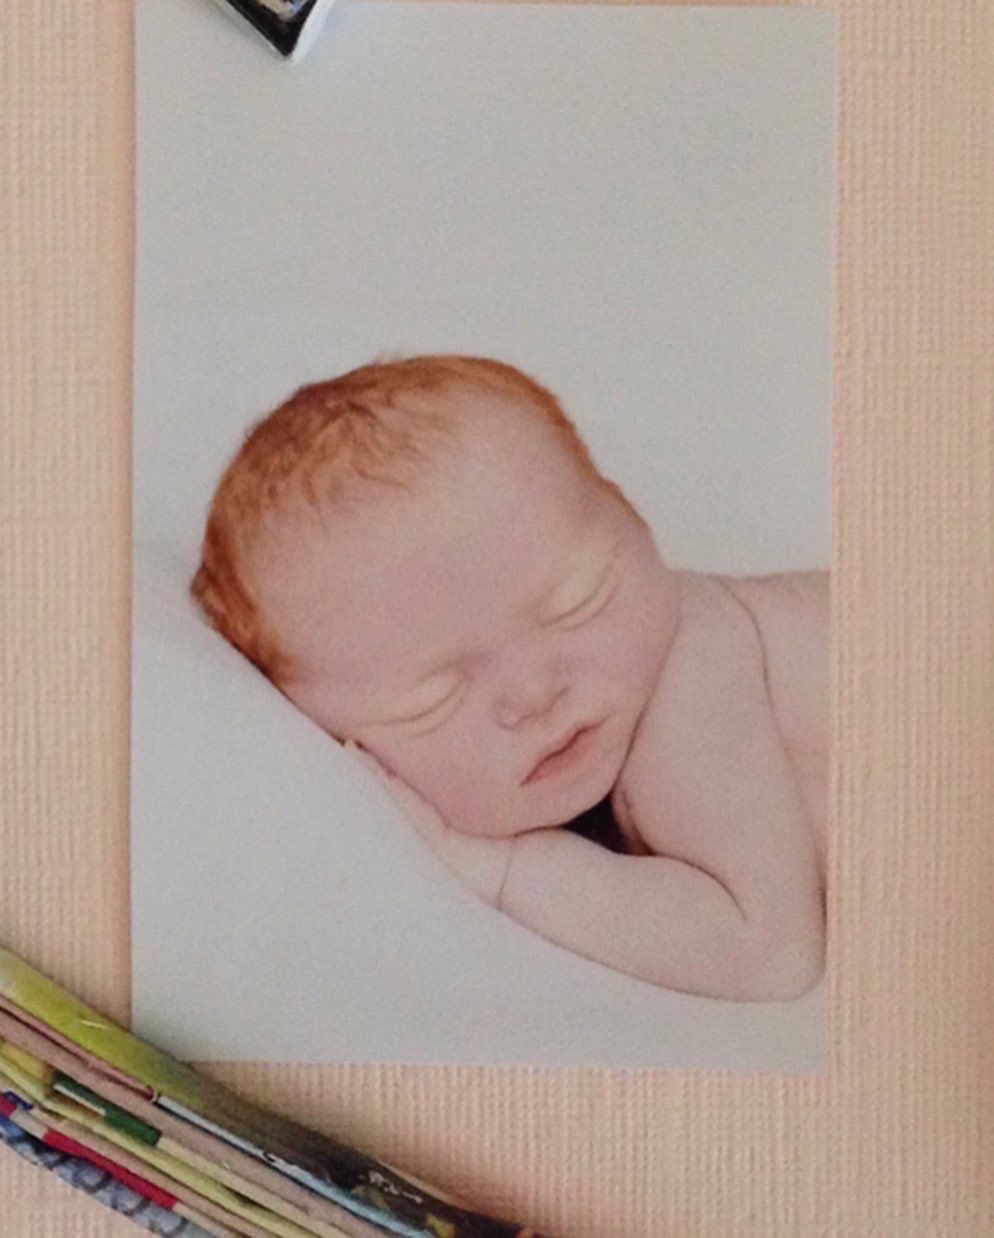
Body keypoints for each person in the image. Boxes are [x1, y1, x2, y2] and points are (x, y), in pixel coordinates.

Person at [192, 355, 827, 1001]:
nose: (534, 693)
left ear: (636, 521)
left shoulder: (694, 663)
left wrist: (502, 868)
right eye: (434, 698)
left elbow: (764, 952)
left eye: (577, 600)